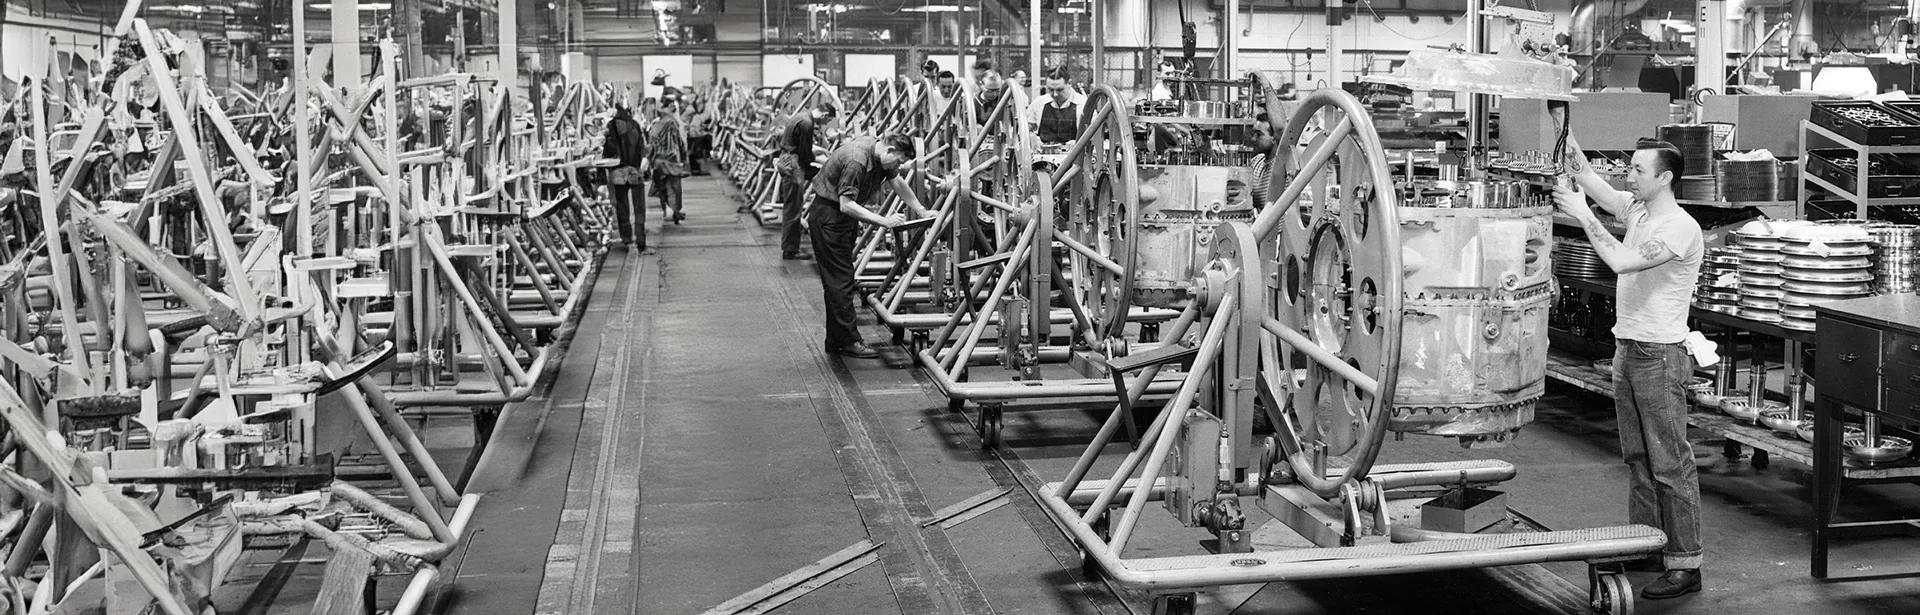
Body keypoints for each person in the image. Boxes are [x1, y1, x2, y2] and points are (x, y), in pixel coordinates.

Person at [1554, 136, 1705, 601]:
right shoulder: (1638, 209)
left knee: (1670, 463)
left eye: (1638, 170)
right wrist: (1562, 118)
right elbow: (1585, 173)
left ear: (1665, 179)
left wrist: (1581, 214)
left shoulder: (1679, 228)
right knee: (1639, 459)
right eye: (1630, 168)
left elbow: (1620, 262)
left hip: (1659, 357)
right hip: (1628, 350)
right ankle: (1647, 543)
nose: (1628, 175)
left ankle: (1685, 562)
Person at [809, 133, 930, 358]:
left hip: (839, 219)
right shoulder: (857, 161)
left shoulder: (880, 155)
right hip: (829, 217)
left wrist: (921, 209)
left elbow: (897, 182)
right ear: (889, 151)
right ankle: (849, 341)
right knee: (841, 281)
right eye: (898, 161)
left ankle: (835, 340)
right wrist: (884, 221)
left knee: (839, 280)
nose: (898, 166)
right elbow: (846, 205)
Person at [779, 102, 837, 260]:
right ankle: (790, 250)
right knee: (793, 207)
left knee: (792, 205)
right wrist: (822, 160)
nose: (824, 125)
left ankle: (791, 247)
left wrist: (819, 151)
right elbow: (805, 154)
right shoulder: (807, 123)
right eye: (827, 121)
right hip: (793, 164)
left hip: (790, 159)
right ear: (825, 115)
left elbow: (802, 146)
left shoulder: (802, 116)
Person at [600, 103, 651, 251]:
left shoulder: (610, 127)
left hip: (618, 173)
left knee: (622, 207)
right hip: (634, 171)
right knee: (639, 207)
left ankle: (627, 239)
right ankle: (640, 239)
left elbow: (608, 151)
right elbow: (642, 148)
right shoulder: (634, 125)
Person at [647, 98, 690, 224]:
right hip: (671, 160)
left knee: (662, 188)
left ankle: (667, 211)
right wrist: (683, 156)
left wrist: (650, 160)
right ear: (670, 106)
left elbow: (651, 144)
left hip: (658, 160)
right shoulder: (671, 122)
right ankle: (675, 212)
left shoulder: (655, 124)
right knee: (674, 188)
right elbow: (679, 141)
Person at [1026, 67, 1085, 146]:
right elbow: (1025, 129)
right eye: (1050, 89)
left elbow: (1093, 136)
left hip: (1075, 156)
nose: (1055, 94)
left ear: (1069, 83)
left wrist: (1079, 143)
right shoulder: (1039, 103)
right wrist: (1032, 139)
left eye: (1059, 90)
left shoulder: (1083, 104)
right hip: (1043, 156)